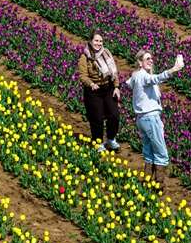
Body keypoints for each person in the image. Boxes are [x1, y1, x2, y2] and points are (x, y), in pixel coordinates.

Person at [125, 48, 184, 186]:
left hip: (141, 119)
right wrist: (174, 69)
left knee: (149, 151)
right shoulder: (142, 76)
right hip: (150, 118)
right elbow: (156, 78)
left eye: (151, 58)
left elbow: (129, 83)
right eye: (147, 59)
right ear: (139, 62)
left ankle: (147, 183)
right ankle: (158, 185)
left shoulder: (135, 76)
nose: (150, 60)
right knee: (161, 153)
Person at [77, 32, 121, 151]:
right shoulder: (85, 57)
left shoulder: (106, 53)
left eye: (100, 41)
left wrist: (116, 87)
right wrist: (91, 84)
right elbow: (83, 75)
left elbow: (114, 72)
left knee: (114, 115)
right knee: (97, 118)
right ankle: (98, 142)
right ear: (91, 41)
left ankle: (111, 139)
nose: (98, 43)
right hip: (93, 90)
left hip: (108, 88)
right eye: (96, 41)